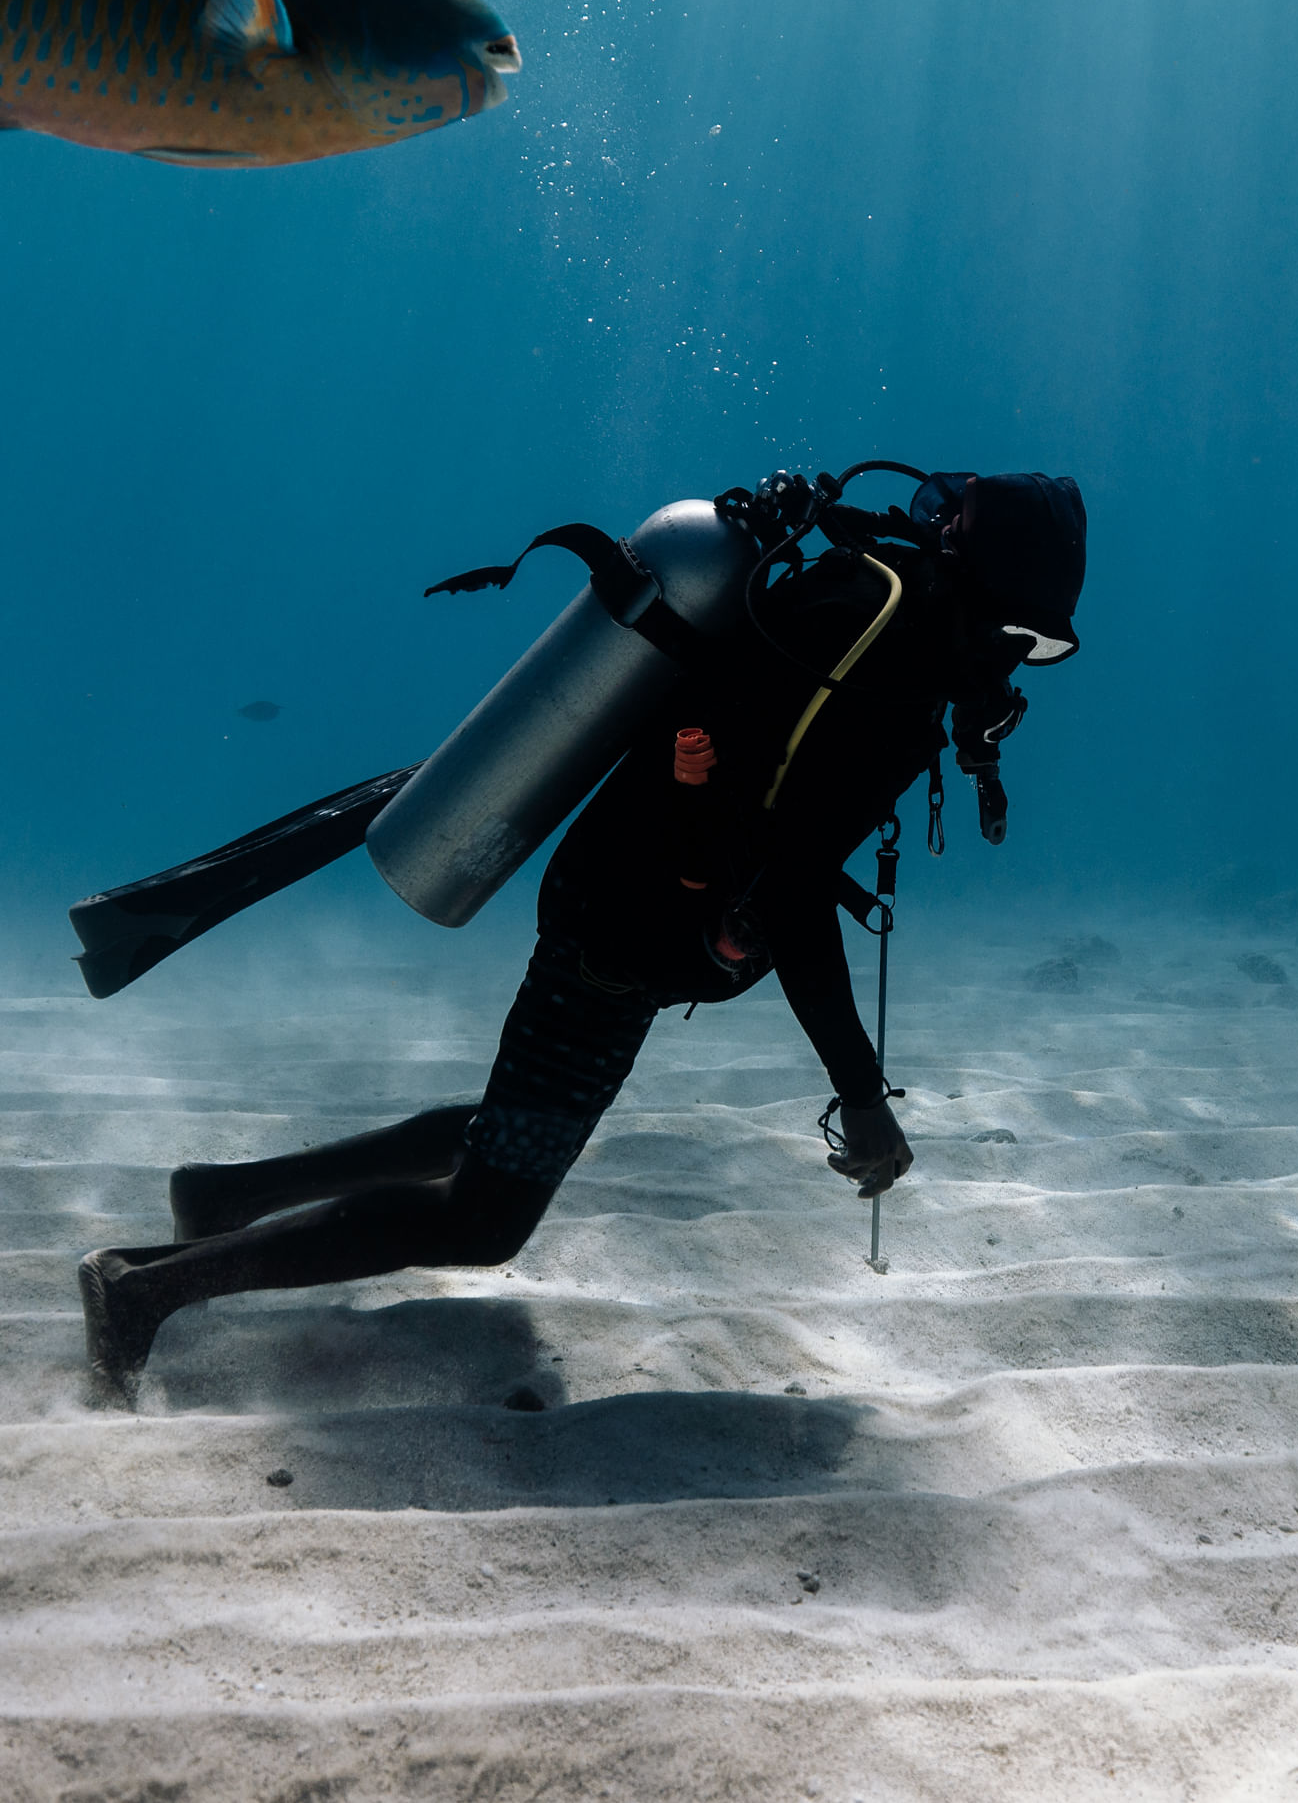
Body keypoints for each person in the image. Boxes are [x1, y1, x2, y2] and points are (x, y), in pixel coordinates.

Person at [78, 471, 1087, 1405]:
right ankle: (142, 1290)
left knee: (518, 1124)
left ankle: (221, 1196)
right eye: (1017, 637)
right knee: (483, 1218)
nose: (1008, 668)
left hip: (631, 904)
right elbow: (793, 891)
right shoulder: (890, 660)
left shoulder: (871, 611)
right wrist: (861, 1100)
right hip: (625, 926)